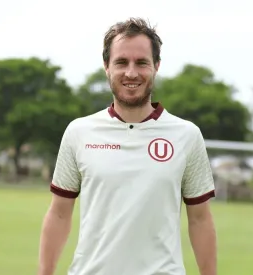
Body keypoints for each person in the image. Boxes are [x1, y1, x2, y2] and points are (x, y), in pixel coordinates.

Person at [37, 17, 217, 275]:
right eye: (121, 62)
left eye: (141, 62)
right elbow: (59, 215)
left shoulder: (187, 135)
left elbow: (200, 219)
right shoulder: (79, 132)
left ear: (156, 66)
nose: (131, 72)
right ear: (106, 67)